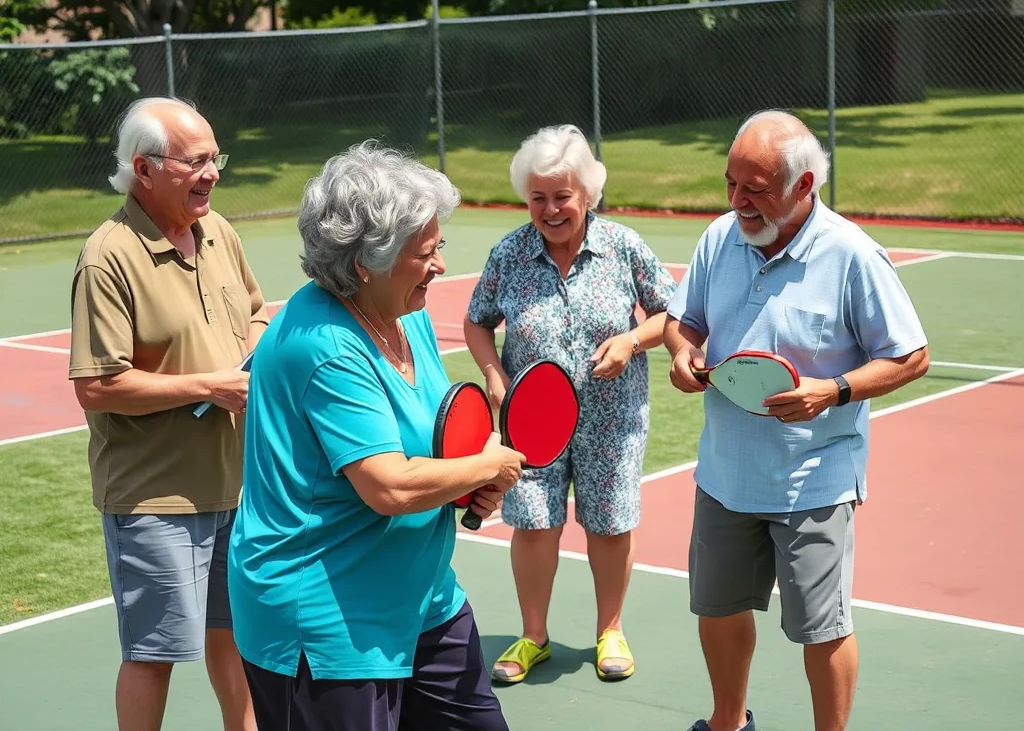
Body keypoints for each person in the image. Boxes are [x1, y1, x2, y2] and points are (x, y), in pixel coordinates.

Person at [225, 141, 525, 730]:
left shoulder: (403, 309)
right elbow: (388, 486)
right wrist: (487, 468)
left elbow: (426, 442)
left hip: (423, 597)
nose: (439, 264)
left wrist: (467, 485)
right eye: (426, 252)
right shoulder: (326, 345)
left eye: (440, 247)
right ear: (367, 261)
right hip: (328, 621)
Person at [664, 109, 930, 731]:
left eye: (756, 189)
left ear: (804, 186)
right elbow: (684, 320)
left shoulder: (853, 255)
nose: (738, 201)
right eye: (731, 184)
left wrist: (831, 391)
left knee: (822, 627)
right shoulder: (719, 237)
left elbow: (911, 356)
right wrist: (683, 352)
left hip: (813, 479)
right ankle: (728, 722)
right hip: (725, 473)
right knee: (719, 609)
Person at [68, 96, 266, 731]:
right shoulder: (108, 255)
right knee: (155, 655)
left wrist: (254, 348)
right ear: (144, 168)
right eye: (195, 162)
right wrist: (207, 385)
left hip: (236, 485)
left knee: (235, 639)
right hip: (157, 499)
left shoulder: (221, 233)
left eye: (215, 159)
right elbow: (98, 387)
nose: (211, 174)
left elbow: (260, 311)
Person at [464, 124, 678, 684]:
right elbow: (476, 320)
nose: (551, 208)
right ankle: (534, 635)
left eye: (563, 196)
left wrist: (632, 341)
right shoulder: (509, 253)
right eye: (539, 197)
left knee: (609, 523)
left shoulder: (623, 246)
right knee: (532, 523)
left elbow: (674, 314)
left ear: (587, 194)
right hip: (530, 422)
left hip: (613, 417)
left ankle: (611, 629)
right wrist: (492, 372)